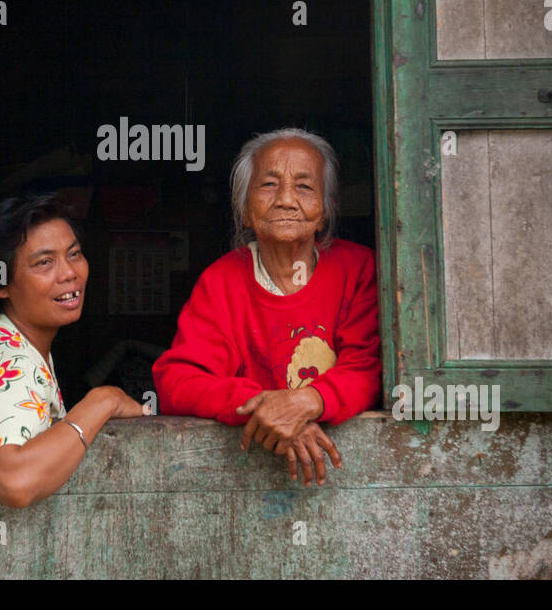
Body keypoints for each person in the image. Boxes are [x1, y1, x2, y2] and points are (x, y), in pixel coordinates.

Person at [152, 128, 381, 486]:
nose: (286, 199)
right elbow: (177, 383)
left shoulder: (359, 269)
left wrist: (308, 402)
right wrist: (266, 407)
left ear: (324, 212)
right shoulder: (222, 281)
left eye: (304, 186)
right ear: (245, 211)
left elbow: (369, 368)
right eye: (269, 185)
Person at [0, 193, 146, 508]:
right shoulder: (4, 360)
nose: (69, 272)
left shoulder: (20, 344)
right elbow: (15, 481)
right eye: (44, 262)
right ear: (1, 283)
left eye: (74, 254)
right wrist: (103, 400)